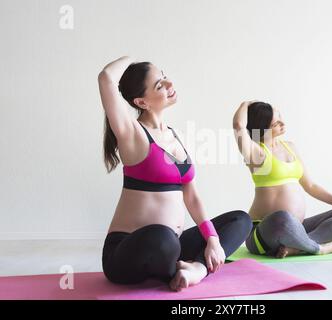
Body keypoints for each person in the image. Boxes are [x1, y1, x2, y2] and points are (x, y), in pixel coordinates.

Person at [98, 56, 252, 291]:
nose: (169, 84)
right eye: (159, 85)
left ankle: (196, 269)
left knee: (241, 220)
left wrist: (211, 238)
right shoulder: (132, 134)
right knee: (162, 238)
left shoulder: (176, 135)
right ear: (141, 102)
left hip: (171, 246)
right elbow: (106, 78)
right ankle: (181, 268)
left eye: (165, 76)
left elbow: (191, 196)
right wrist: (133, 56)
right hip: (129, 252)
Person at [232, 100, 332, 258]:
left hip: (295, 228)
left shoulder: (290, 147)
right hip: (264, 232)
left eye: (280, 116)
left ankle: (299, 246)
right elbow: (239, 125)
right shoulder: (256, 153)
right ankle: (319, 248)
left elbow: (310, 186)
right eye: (276, 123)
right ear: (263, 128)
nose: (283, 123)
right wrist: (245, 104)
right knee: (283, 217)